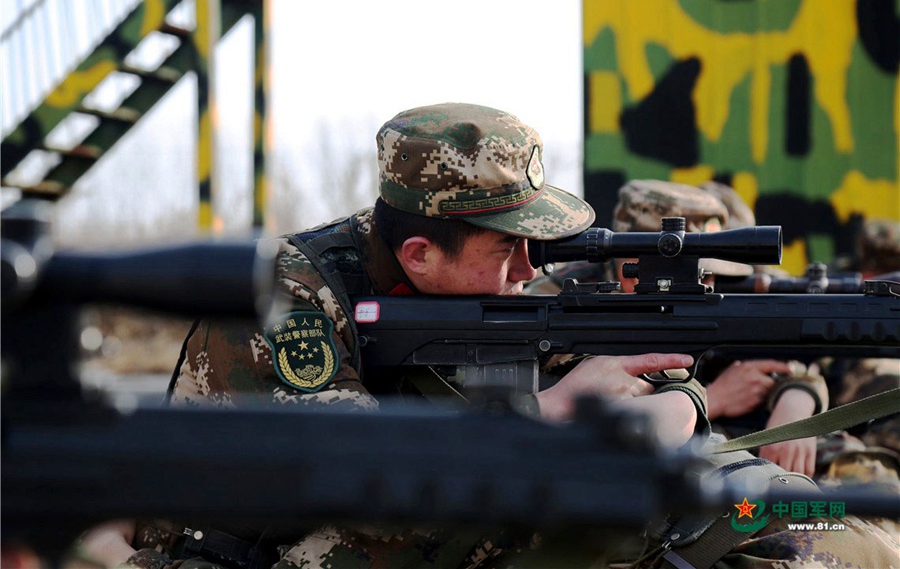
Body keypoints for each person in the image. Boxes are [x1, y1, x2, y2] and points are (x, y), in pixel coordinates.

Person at [77, 106, 895, 569]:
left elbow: (630, 377)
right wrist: (547, 415)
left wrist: (676, 405)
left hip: (437, 527)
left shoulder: (494, 284)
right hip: (271, 548)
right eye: (508, 247)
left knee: (803, 531)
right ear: (419, 255)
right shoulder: (281, 303)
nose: (530, 268)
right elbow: (358, 482)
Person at [526, 179, 829, 478]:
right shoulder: (561, 300)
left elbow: (785, 350)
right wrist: (713, 400)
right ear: (637, 265)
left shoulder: (708, 299)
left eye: (710, 273)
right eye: (698, 272)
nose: (707, 284)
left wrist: (797, 400)